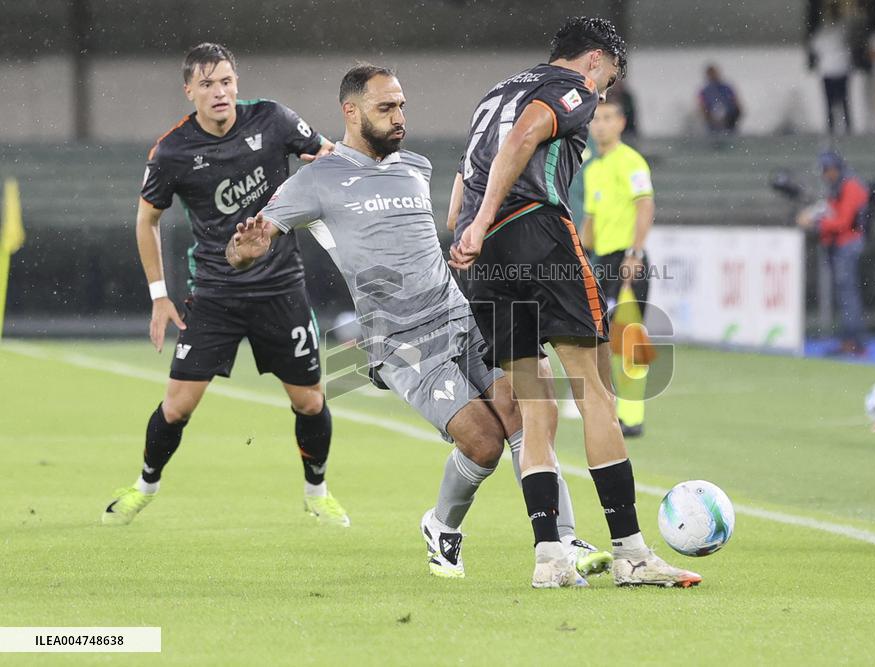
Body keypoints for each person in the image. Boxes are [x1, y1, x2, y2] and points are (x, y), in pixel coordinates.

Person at [228, 64, 611, 583]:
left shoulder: (416, 165)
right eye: (386, 108)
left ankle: (562, 538)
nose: (399, 116)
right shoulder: (316, 179)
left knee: (524, 411)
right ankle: (441, 526)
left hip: (459, 314)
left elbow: (450, 218)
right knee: (483, 443)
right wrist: (244, 250)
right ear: (352, 111)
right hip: (403, 341)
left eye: (401, 105)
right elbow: (252, 241)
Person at [449, 17, 701, 589]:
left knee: (535, 407)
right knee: (597, 396)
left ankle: (550, 558)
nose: (605, 92)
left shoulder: (495, 93)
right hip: (537, 232)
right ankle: (632, 554)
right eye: (608, 75)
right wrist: (493, 216)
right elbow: (524, 139)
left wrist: (472, 228)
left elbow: (466, 181)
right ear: (594, 60)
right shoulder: (572, 90)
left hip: (484, 255)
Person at [100, 44, 345, 527]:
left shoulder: (273, 120)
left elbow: (328, 158)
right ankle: (144, 486)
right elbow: (146, 220)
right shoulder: (172, 151)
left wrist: (331, 166)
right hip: (216, 295)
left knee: (310, 400)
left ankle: (317, 491)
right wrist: (158, 296)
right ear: (189, 90)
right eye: (208, 84)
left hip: (281, 289)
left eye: (227, 81)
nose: (220, 92)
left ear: (237, 83)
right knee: (177, 406)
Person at [581, 99, 655, 438]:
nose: (600, 125)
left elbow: (645, 206)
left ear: (621, 123)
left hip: (627, 258)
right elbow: (591, 223)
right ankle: (614, 410)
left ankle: (632, 417)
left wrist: (635, 254)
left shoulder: (631, 161)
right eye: (596, 119)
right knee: (604, 341)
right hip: (603, 262)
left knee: (629, 342)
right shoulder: (594, 168)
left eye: (608, 118)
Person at [797, 150, 868, 356]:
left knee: (848, 296)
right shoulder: (840, 186)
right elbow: (830, 210)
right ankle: (851, 340)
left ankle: (854, 342)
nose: (825, 175)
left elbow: (843, 222)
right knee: (846, 296)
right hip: (841, 244)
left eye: (827, 170)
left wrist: (817, 224)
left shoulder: (851, 187)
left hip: (847, 244)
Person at [810, 4, 853, 134]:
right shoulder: (842, 29)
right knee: (842, 100)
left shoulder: (826, 30)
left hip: (831, 69)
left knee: (832, 102)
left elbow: (815, 47)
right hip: (838, 68)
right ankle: (844, 127)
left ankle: (834, 128)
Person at [697, 64, 741, 134]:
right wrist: (710, 119)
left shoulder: (727, 88)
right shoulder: (705, 91)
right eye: (710, 74)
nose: (713, 76)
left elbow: (736, 104)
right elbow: (702, 107)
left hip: (729, 122)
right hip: (712, 125)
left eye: (714, 73)